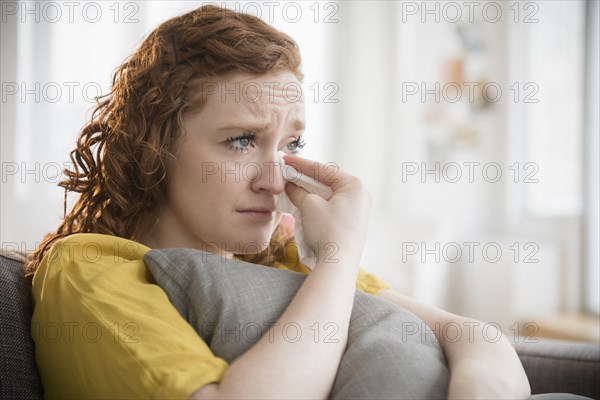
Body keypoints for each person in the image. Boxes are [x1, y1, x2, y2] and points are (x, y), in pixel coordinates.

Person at [26, 5, 531, 399]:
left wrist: (478, 388)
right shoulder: (89, 268)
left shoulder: (284, 257)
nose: (276, 179)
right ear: (153, 149)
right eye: (241, 140)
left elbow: (468, 333)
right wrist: (337, 257)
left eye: (292, 145)